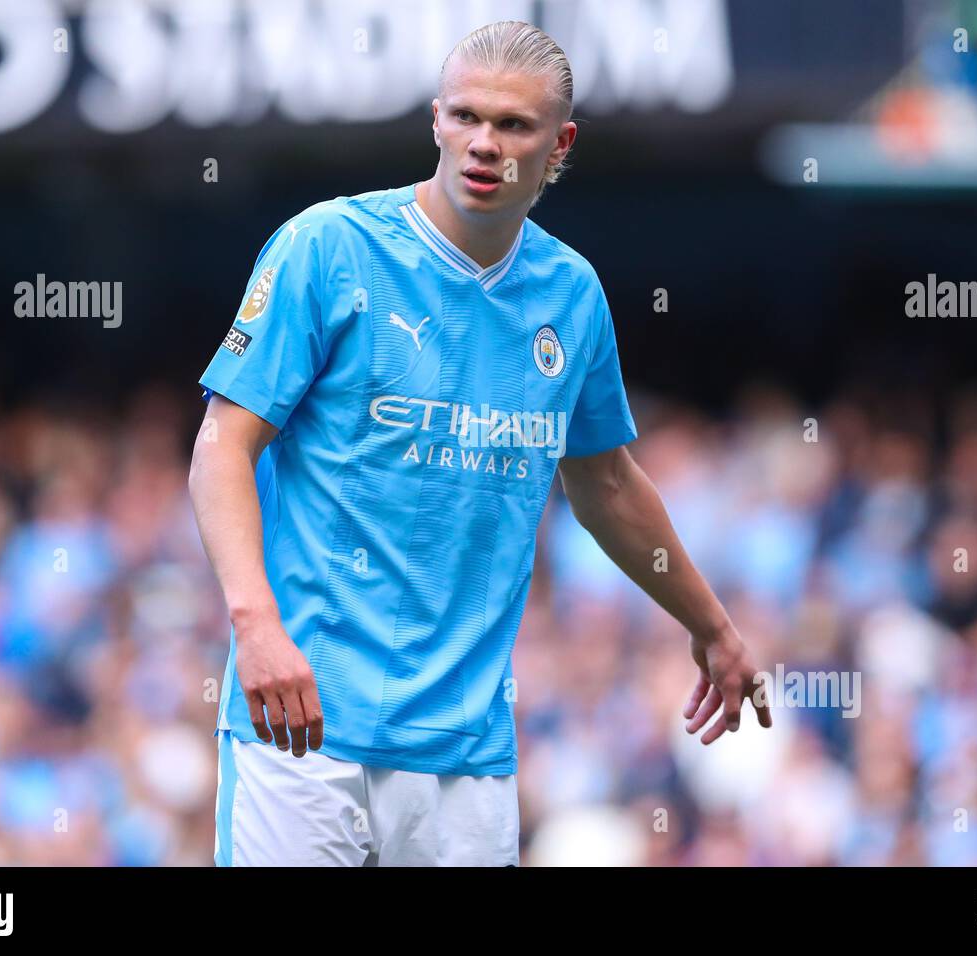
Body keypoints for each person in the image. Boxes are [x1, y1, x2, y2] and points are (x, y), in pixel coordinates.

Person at [189, 19, 771, 867]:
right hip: (303, 729)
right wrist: (256, 626)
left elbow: (606, 483)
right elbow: (221, 445)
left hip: (466, 757)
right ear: (435, 120)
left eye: (513, 126)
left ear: (559, 143)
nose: (483, 144)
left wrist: (711, 626)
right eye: (465, 117)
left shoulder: (570, 294)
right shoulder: (328, 248)